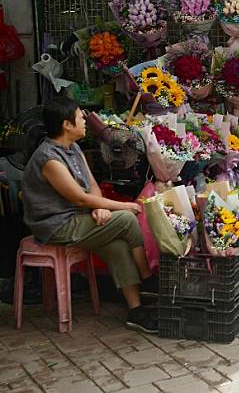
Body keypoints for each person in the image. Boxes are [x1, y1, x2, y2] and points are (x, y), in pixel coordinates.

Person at [22, 97, 158, 333]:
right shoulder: (49, 159)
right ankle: (148, 278)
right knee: (126, 219)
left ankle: (136, 311)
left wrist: (100, 207)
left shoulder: (73, 148)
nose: (85, 120)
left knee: (116, 245)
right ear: (66, 124)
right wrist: (122, 207)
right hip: (57, 225)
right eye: (79, 116)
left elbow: (92, 186)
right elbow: (79, 198)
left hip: (80, 217)